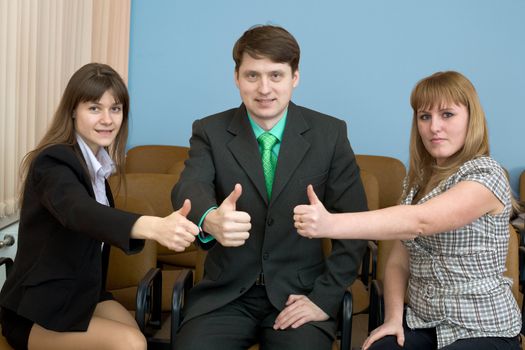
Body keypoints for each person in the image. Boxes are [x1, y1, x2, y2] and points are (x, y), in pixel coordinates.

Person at [171, 25, 368, 349]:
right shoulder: (210, 130)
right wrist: (209, 218)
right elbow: (188, 185)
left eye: (276, 75)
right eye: (252, 76)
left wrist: (323, 298)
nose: (264, 88)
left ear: (295, 77)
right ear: (236, 77)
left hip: (300, 294)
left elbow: (355, 222)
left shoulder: (329, 134)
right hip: (225, 297)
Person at [294, 71, 522, 350]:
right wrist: (392, 319)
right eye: (425, 117)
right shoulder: (415, 182)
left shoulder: (487, 174)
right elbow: (399, 261)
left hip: (482, 329)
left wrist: (330, 225)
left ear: (471, 118)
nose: (434, 127)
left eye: (447, 114)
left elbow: (421, 222)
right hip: (424, 324)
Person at [0, 63, 199, 350]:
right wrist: (153, 226)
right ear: (72, 111)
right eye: (95, 108)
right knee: (130, 343)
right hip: (36, 310)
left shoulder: (98, 172)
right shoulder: (53, 162)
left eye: (115, 109)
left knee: (137, 335)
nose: (107, 119)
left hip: (83, 295)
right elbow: (78, 211)